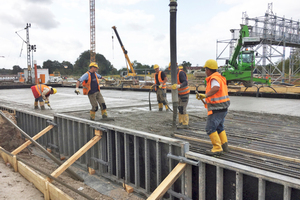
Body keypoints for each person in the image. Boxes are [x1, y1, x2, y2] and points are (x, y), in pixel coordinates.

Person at [196, 59, 230, 156]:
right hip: (223, 107)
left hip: (217, 108)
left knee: (210, 128)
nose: (205, 71)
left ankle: (217, 148)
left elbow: (216, 88)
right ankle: (224, 146)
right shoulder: (220, 77)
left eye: (206, 69)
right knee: (219, 127)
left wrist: (205, 95)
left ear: (209, 70)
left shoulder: (214, 78)